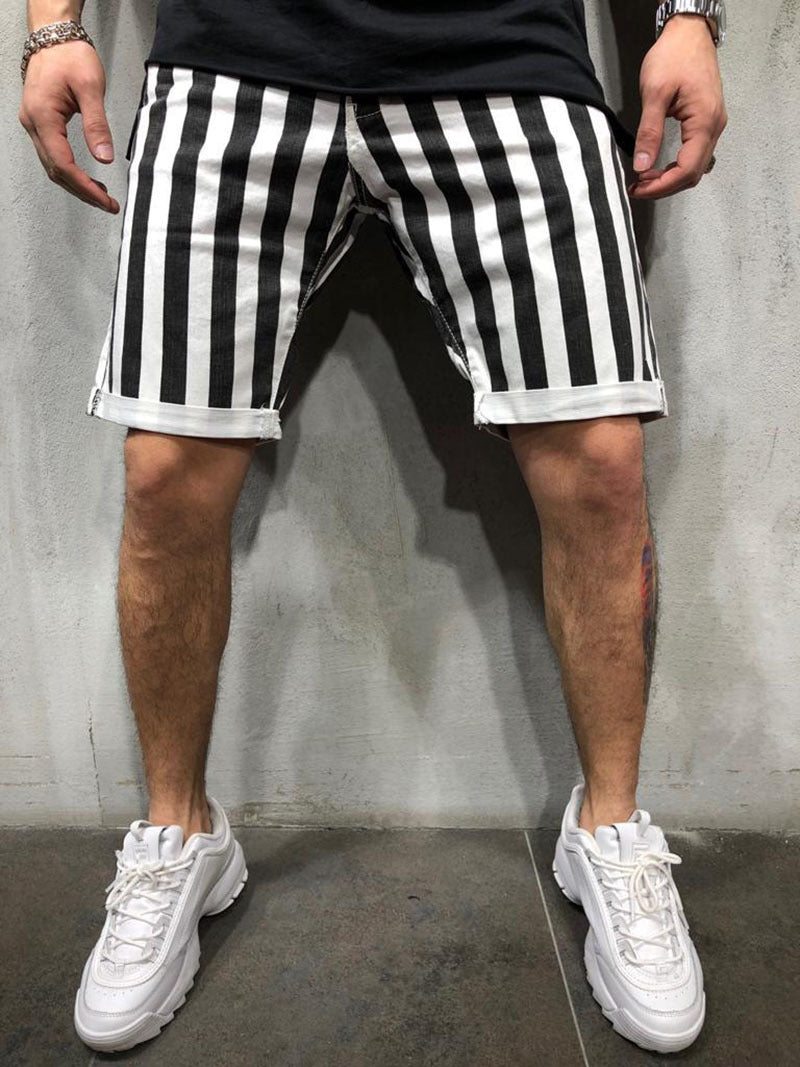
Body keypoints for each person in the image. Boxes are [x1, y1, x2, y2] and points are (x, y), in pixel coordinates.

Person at [19, 0, 727, 1055]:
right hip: (228, 64)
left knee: (600, 462)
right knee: (163, 471)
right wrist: (52, 27)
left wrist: (689, 17)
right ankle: (179, 835)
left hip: (507, 57)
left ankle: (611, 830)